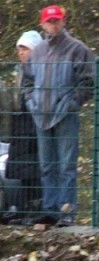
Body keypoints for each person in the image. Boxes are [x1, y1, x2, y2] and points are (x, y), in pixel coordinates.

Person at [22, 5, 95, 227]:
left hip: (65, 116)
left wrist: (72, 103)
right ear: (42, 23)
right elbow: (27, 82)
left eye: (57, 20)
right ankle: (50, 209)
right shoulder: (37, 52)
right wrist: (31, 101)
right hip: (40, 116)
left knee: (67, 166)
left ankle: (67, 210)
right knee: (47, 166)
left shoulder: (77, 49)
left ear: (63, 21)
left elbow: (89, 81)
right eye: (49, 21)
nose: (53, 24)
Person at [1, 31, 43, 226]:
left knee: (34, 169)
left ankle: (36, 208)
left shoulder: (40, 70)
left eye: (25, 49)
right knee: (20, 170)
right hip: (20, 126)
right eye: (19, 49)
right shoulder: (19, 71)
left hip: (34, 124)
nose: (21, 53)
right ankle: (23, 208)